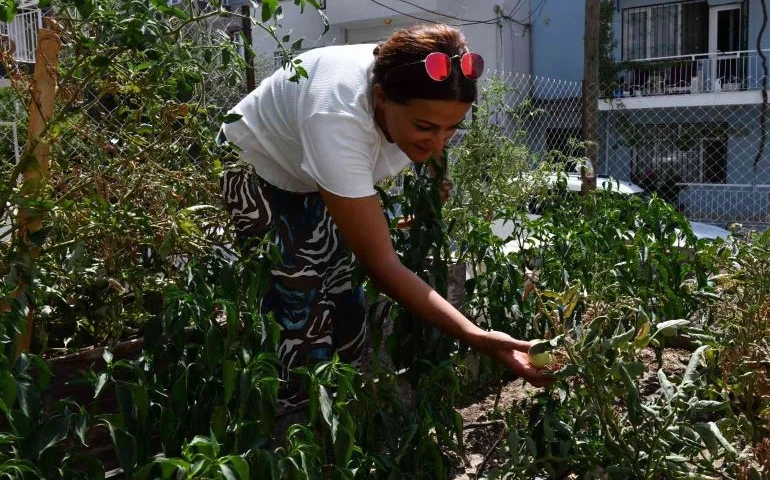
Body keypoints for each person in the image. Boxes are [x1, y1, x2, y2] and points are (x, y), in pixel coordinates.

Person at [218, 24, 550, 414]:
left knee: (346, 302)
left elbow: (432, 133)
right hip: (255, 164)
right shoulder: (338, 118)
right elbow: (382, 266)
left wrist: (435, 176)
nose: (438, 142)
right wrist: (476, 335)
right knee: (299, 308)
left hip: (311, 172)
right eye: (425, 128)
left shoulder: (408, 83)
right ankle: (291, 429)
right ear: (380, 98)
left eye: (452, 129)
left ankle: (341, 415)